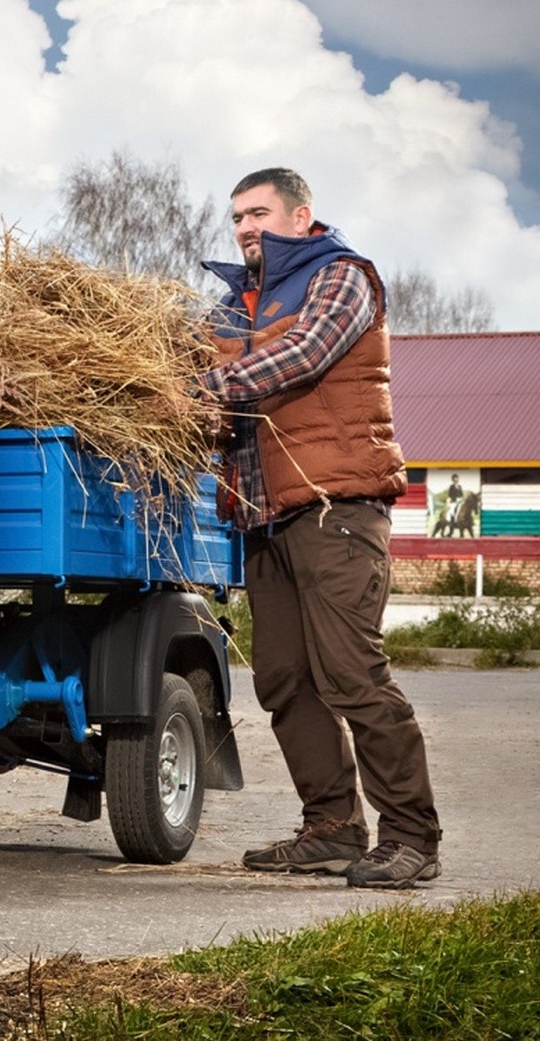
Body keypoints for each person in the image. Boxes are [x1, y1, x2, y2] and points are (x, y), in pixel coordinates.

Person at [198, 168, 442, 889]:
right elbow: (220, 404)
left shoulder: (339, 277)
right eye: (237, 216)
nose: (245, 227)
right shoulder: (230, 305)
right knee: (285, 680)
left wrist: (202, 387)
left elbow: (302, 355)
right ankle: (332, 829)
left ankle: (411, 837)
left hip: (335, 505)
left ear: (302, 215)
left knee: (351, 676)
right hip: (263, 514)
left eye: (260, 213)